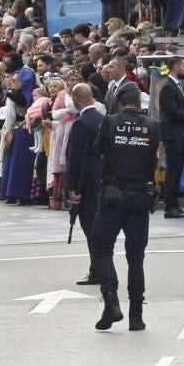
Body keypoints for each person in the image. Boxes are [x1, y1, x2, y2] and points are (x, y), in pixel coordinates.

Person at [89, 84, 159, 332]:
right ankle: (136, 316)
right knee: (136, 257)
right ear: (139, 105)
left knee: (101, 246)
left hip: (113, 194)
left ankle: (111, 299)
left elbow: (96, 154)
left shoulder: (110, 123)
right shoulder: (152, 126)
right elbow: (157, 159)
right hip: (141, 194)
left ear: (119, 104)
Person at [65, 84, 106, 284]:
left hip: (86, 183)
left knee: (90, 228)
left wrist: (72, 187)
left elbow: (75, 159)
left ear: (75, 99)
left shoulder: (81, 124)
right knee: (98, 228)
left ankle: (98, 269)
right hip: (102, 181)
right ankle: (98, 268)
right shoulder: (103, 121)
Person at [154, 59, 184, 219]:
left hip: (179, 133)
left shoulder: (178, 85)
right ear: (176, 67)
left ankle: (174, 204)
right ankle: (171, 206)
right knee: (173, 170)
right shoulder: (168, 87)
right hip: (173, 133)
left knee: (176, 170)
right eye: (183, 66)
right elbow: (172, 112)